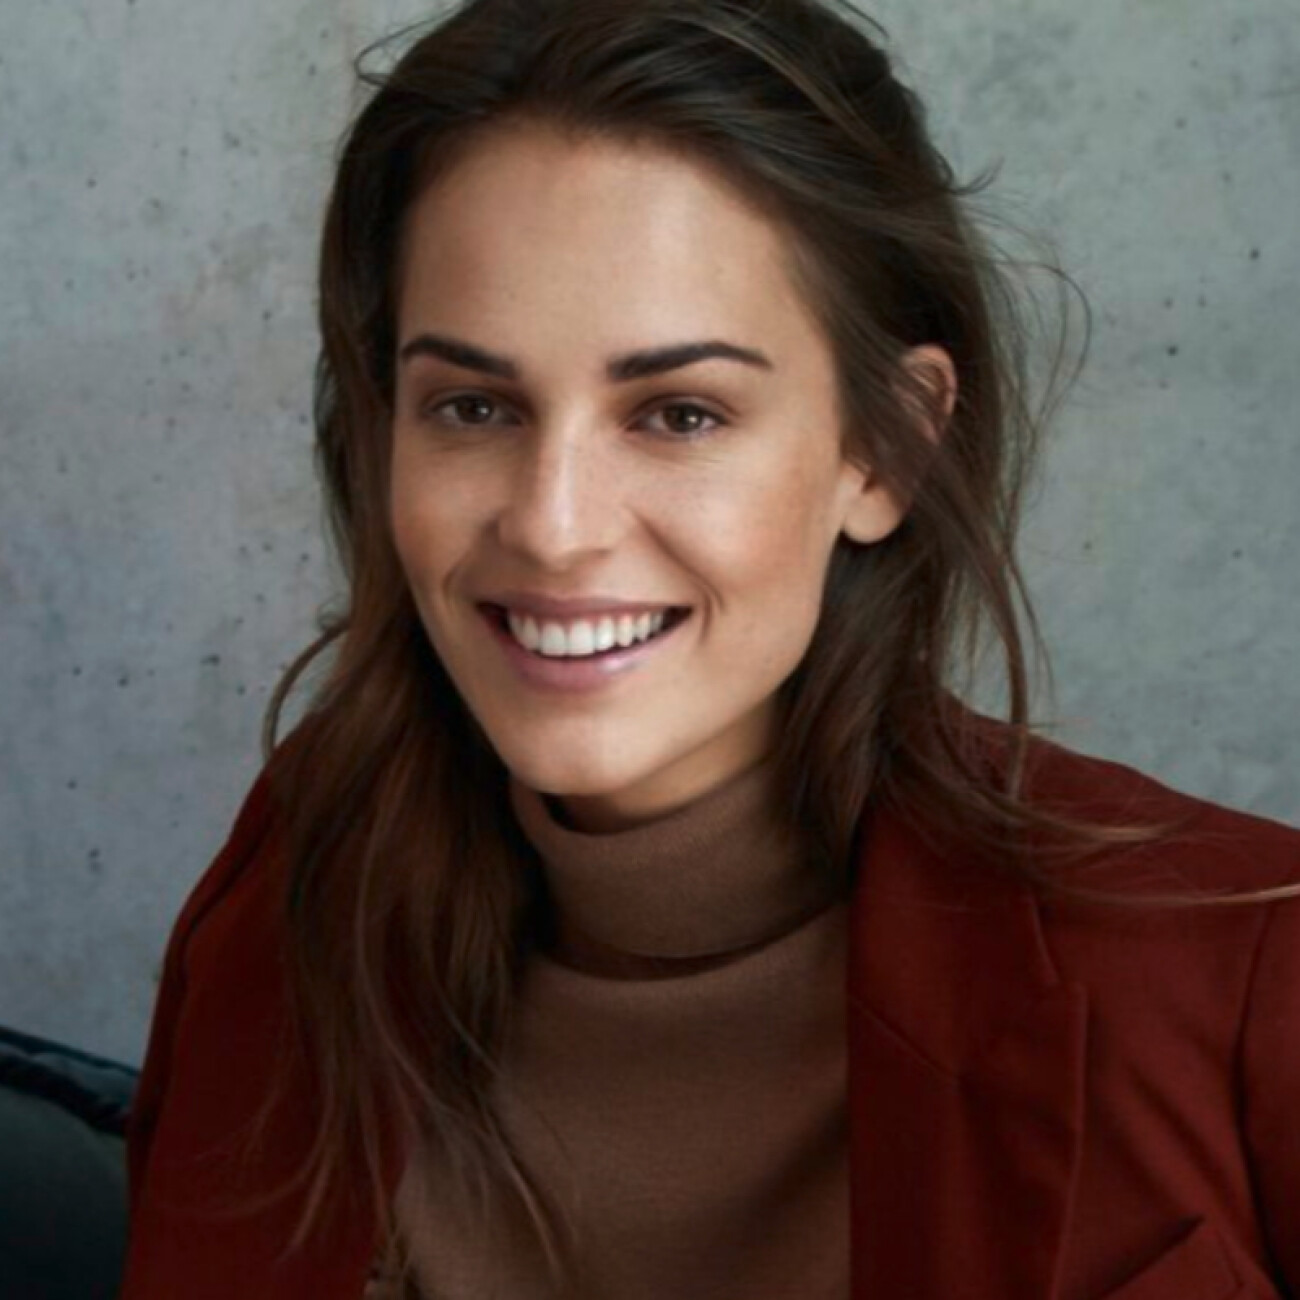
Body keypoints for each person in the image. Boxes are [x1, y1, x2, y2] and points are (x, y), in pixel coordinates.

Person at [118, 0, 1300, 1297]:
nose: (553, 525)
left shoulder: (1245, 967)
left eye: (679, 414)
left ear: (888, 448)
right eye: (473, 406)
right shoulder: (283, 906)